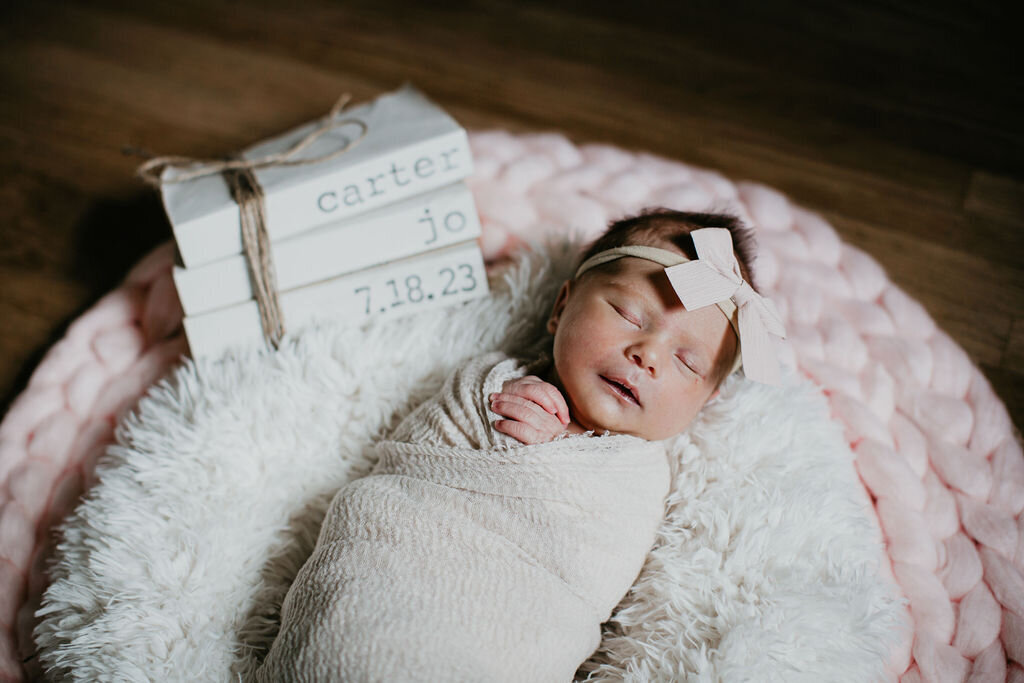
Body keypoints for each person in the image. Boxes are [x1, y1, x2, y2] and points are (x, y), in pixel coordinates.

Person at [255, 209, 784, 682]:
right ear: (561, 306)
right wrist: (497, 409)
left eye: (687, 362)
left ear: (704, 399)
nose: (647, 353)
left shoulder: (639, 476)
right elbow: (416, 456)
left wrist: (556, 452)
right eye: (629, 315)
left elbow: (594, 568)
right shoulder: (491, 383)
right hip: (383, 588)